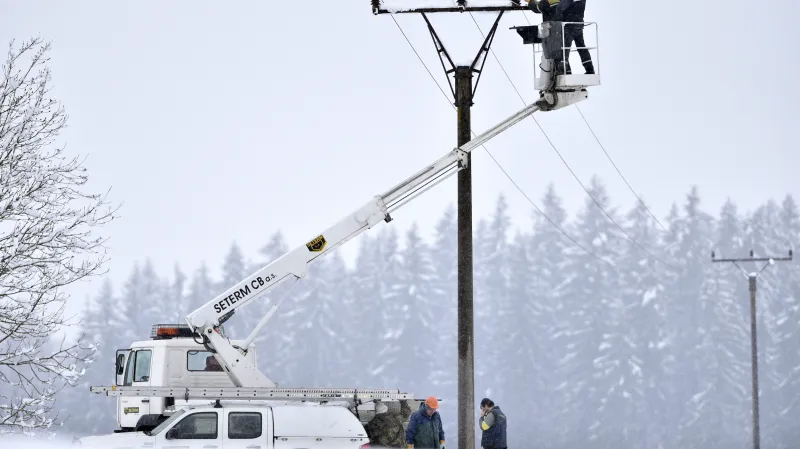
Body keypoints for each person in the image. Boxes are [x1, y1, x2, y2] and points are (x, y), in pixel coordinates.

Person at [558, 0, 595, 74]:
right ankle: (590, 69)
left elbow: (560, 8)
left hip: (569, 25)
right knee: (581, 47)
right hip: (578, 25)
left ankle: (565, 70)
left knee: (565, 47)